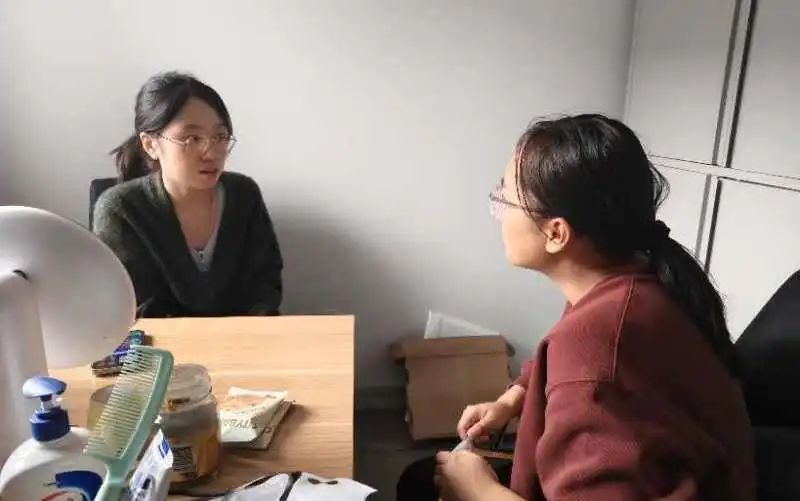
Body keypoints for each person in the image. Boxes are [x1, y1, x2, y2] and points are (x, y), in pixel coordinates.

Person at [398, 114, 756, 500]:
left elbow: (589, 374)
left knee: (428, 485)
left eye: (505, 198)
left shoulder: (595, 343)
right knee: (422, 479)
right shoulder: (636, 280)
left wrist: (478, 490)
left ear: (556, 233)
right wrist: (511, 400)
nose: (498, 211)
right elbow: (568, 371)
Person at [94, 72, 283, 317]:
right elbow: (142, 310)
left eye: (219, 136)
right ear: (151, 145)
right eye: (192, 138)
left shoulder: (244, 195)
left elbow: (265, 288)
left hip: (247, 338)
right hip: (164, 342)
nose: (211, 153)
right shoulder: (120, 209)